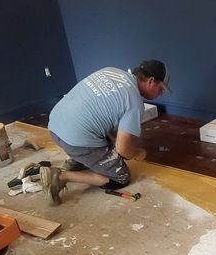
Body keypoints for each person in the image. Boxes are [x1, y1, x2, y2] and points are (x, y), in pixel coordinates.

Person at [39, 60, 170, 205]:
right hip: (76, 140)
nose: (160, 93)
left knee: (104, 141)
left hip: (55, 125)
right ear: (151, 81)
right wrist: (137, 153)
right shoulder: (134, 103)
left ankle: (77, 161)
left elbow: (109, 123)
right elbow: (123, 151)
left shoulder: (111, 71)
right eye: (161, 89)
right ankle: (61, 176)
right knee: (121, 178)